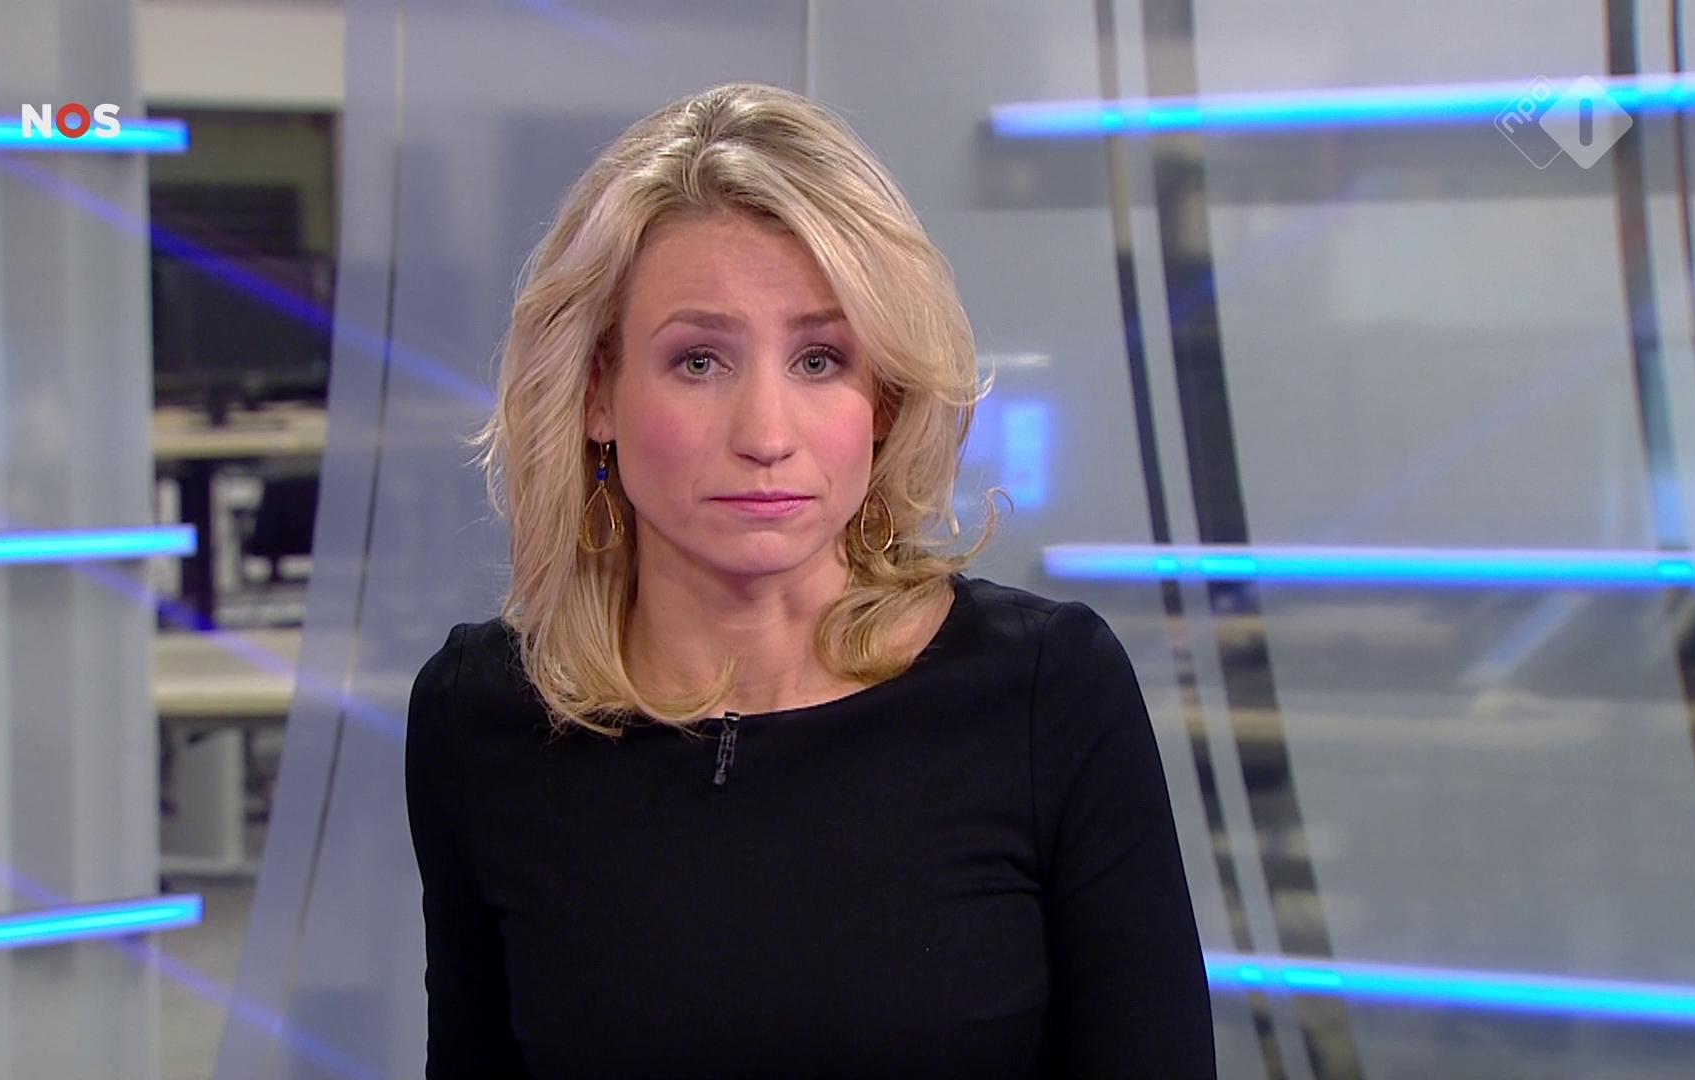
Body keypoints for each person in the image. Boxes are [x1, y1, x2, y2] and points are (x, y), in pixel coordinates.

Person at [406, 81, 1215, 1079]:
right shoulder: (479, 719)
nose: (765, 435)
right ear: (597, 393)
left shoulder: (1049, 694)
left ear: (885, 398)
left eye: (821, 359)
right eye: (699, 361)